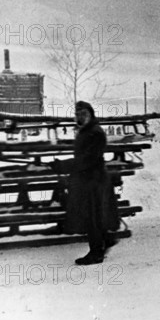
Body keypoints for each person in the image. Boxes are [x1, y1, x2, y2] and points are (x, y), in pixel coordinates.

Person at [61, 101, 119, 265]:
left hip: (94, 181)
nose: (80, 116)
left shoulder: (95, 132)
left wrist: (64, 165)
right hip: (90, 179)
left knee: (92, 217)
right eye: (77, 113)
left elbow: (88, 159)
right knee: (94, 216)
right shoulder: (86, 131)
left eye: (83, 113)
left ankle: (96, 253)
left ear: (90, 114)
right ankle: (106, 239)